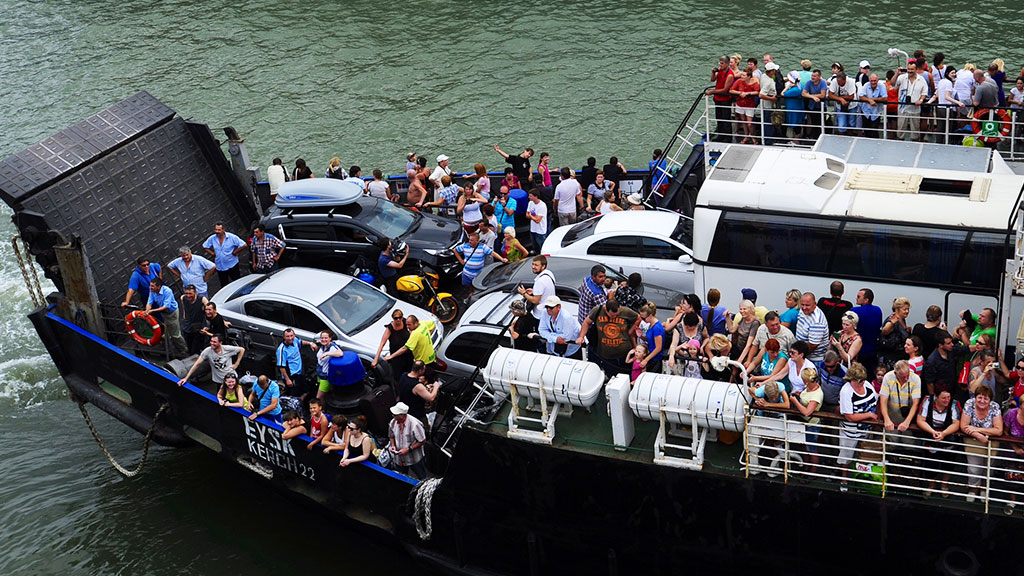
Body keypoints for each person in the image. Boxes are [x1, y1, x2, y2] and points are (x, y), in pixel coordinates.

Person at [837, 362, 879, 491]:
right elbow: (849, 416)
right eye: (859, 380)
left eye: (863, 380)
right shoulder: (846, 391)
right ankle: (844, 480)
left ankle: (861, 479)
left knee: (863, 455)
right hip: (851, 432)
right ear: (852, 380)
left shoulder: (867, 385)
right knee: (846, 455)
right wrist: (868, 415)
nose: (862, 382)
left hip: (865, 430)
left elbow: (875, 400)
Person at [916, 385, 961, 497]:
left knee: (948, 463)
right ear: (936, 396)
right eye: (944, 398)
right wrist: (932, 432)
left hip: (949, 438)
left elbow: (956, 423)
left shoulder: (954, 404)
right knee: (931, 464)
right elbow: (920, 420)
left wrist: (944, 433)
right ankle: (931, 486)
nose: (947, 400)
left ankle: (944, 485)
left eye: (948, 397)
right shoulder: (928, 401)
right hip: (931, 437)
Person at [960, 384, 1003, 502]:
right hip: (972, 440)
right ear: (975, 397)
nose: (982, 401)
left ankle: (984, 488)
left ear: (990, 400)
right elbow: (963, 426)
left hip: (991, 442)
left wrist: (977, 429)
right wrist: (978, 436)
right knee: (973, 468)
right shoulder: (969, 403)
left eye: (986, 398)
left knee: (988, 467)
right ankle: (973, 489)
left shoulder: (995, 407)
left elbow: (998, 430)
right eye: (979, 397)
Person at [578, 299, 639, 377]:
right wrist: (581, 336)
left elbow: (638, 318)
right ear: (606, 310)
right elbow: (586, 322)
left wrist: (631, 330)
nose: (614, 317)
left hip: (624, 355)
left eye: (617, 315)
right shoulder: (598, 310)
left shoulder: (626, 311)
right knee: (610, 376)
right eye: (612, 316)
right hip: (606, 355)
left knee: (623, 377)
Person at [878, 360, 922, 447]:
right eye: (902, 377)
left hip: (909, 418)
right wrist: (886, 419)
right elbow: (883, 400)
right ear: (895, 373)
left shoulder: (916, 379)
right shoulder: (888, 377)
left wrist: (907, 422)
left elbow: (915, 403)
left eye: (907, 375)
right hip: (892, 418)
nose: (906, 379)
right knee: (891, 443)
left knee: (909, 443)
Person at [790, 365, 823, 471]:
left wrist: (795, 401)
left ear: (806, 381)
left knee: (812, 449)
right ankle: (807, 465)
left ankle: (813, 470)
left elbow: (807, 412)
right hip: (803, 423)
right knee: (804, 446)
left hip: (812, 425)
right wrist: (799, 395)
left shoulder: (817, 394)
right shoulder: (808, 388)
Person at [177, 334, 244, 387]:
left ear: (220, 343)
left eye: (214, 342)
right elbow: (197, 364)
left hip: (231, 379)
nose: (212, 343)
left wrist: (237, 363)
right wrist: (186, 378)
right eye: (211, 341)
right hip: (219, 381)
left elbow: (242, 350)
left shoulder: (227, 349)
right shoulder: (207, 351)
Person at [455, 232, 506, 298]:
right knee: (470, 285)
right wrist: (461, 260)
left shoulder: (483, 247)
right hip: (467, 273)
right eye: (469, 240)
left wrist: (502, 259)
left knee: (478, 286)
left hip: (478, 274)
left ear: (477, 241)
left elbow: (492, 253)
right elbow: (455, 250)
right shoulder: (465, 246)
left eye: (472, 240)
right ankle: (472, 292)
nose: (470, 241)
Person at [144, 277, 187, 356]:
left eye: (152, 286)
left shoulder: (167, 291)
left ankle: (184, 349)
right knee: (168, 332)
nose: (150, 287)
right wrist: (147, 310)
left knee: (176, 335)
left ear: (159, 286)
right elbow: (149, 302)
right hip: (164, 314)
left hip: (172, 313)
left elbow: (166, 306)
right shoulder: (152, 291)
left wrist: (152, 311)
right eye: (150, 285)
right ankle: (170, 346)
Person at [397, 361, 442, 430]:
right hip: (416, 413)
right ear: (420, 370)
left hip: (404, 408)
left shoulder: (404, 375)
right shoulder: (417, 386)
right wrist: (436, 387)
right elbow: (431, 398)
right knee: (423, 428)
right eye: (424, 369)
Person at [389, 402, 428, 479]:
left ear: (402, 415)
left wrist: (408, 449)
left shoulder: (415, 424)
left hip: (414, 459)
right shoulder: (393, 422)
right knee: (400, 478)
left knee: (422, 477)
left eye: (395, 415)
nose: (393, 416)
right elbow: (391, 435)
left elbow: (422, 441)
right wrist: (393, 445)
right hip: (399, 459)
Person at [850, 288, 883, 377]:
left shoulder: (854, 311)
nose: (856, 298)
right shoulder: (878, 310)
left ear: (866, 300)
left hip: (859, 351)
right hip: (873, 349)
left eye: (858, 296)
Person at [277, 328, 317, 400]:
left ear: (294, 335)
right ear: (284, 337)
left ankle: (301, 402)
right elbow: (281, 366)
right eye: (287, 336)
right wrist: (287, 379)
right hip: (291, 376)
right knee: (294, 395)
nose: (290, 338)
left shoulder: (295, 341)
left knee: (305, 390)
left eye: (291, 336)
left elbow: (300, 342)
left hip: (299, 373)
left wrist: (310, 343)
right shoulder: (282, 349)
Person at [894, 60, 929, 141]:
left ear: (916, 70)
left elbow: (924, 92)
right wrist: (897, 73)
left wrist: (921, 100)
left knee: (915, 131)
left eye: (912, 69)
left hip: (915, 109)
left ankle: (915, 145)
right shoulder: (902, 78)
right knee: (900, 130)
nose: (910, 71)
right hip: (902, 109)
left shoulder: (921, 79)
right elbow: (892, 83)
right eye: (908, 69)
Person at [1000, 405, 1024, 514]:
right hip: (1012, 451)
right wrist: (1015, 448)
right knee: (1012, 476)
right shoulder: (1011, 414)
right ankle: (1011, 501)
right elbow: (1004, 431)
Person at [517, 255, 556, 321]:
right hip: (549, 314)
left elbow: (535, 300)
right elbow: (546, 289)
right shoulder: (549, 274)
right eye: (532, 264)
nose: (533, 267)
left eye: (536, 265)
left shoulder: (540, 281)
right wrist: (534, 291)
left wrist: (524, 293)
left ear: (543, 266)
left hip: (540, 316)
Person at [666, 312, 704, 378]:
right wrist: (671, 356)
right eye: (689, 327)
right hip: (682, 357)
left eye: (694, 327)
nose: (691, 329)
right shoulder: (679, 328)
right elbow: (673, 345)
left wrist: (702, 346)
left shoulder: (701, 326)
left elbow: (707, 337)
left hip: (697, 357)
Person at [373, 309, 411, 374]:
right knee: (398, 374)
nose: (398, 320)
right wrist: (375, 359)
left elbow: (413, 328)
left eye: (400, 317)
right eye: (396, 318)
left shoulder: (405, 322)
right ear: (393, 318)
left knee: (409, 371)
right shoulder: (390, 329)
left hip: (407, 353)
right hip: (396, 356)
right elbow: (382, 344)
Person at [878, 297, 911, 369]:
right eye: (904, 309)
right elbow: (884, 331)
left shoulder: (902, 319)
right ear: (898, 310)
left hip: (899, 357)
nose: (907, 311)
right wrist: (892, 324)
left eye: (908, 309)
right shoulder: (892, 319)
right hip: (891, 360)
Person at [796, 292, 829, 362]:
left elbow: (813, 345)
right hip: (801, 352)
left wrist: (799, 355)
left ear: (815, 304)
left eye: (807, 305)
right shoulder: (803, 311)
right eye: (802, 304)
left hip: (813, 359)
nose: (804, 308)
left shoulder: (817, 321)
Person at [708, 55, 735, 141]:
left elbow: (725, 90)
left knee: (726, 118)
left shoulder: (730, 75)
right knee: (718, 117)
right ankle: (720, 135)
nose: (720, 65)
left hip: (725, 99)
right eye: (720, 63)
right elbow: (712, 80)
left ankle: (728, 136)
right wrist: (713, 72)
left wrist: (713, 91)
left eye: (722, 63)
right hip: (718, 98)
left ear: (727, 64)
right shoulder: (719, 71)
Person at [314, 330, 345, 401]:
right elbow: (318, 341)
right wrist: (314, 343)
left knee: (319, 398)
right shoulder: (323, 345)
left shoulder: (332, 347)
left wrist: (327, 354)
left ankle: (323, 410)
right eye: (322, 338)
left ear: (330, 338)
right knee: (325, 395)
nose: (323, 339)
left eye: (326, 338)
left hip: (325, 377)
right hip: (320, 374)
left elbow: (340, 353)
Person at [727, 299, 760, 365]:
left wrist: (739, 360)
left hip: (747, 353)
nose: (742, 311)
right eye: (740, 309)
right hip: (739, 349)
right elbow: (732, 330)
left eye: (744, 309)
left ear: (750, 309)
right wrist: (727, 317)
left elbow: (749, 344)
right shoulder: (743, 319)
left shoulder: (755, 323)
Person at [179, 285, 208, 355]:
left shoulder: (202, 299)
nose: (188, 296)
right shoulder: (183, 298)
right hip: (188, 325)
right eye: (187, 293)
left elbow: (210, 309)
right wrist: (184, 317)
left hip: (198, 324)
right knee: (189, 344)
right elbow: (184, 309)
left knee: (197, 346)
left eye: (190, 294)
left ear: (195, 293)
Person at [637, 302, 665, 374]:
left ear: (650, 316)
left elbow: (658, 347)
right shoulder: (651, 325)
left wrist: (646, 360)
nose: (642, 320)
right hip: (650, 356)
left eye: (643, 318)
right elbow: (651, 340)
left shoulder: (657, 328)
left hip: (655, 359)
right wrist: (641, 337)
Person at [859, 73, 888, 137]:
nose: (873, 82)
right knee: (866, 130)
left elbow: (885, 98)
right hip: (866, 111)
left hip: (876, 111)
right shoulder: (866, 85)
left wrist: (874, 99)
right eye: (871, 81)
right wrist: (869, 100)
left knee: (874, 130)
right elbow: (860, 96)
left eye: (875, 81)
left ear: (878, 80)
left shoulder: (882, 86)